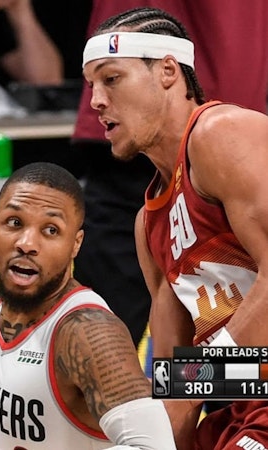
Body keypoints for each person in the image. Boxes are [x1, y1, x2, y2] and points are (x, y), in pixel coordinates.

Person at [81, 6, 268, 450]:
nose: (96, 101)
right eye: (91, 86)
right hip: (246, 402)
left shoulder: (221, 133)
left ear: (168, 71)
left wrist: (207, 372)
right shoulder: (149, 224)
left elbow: (194, 380)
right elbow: (177, 394)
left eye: (111, 78)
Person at [0, 162, 176, 449]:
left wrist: (187, 387)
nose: (26, 243)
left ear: (76, 244)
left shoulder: (88, 332)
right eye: (14, 222)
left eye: (50, 230)